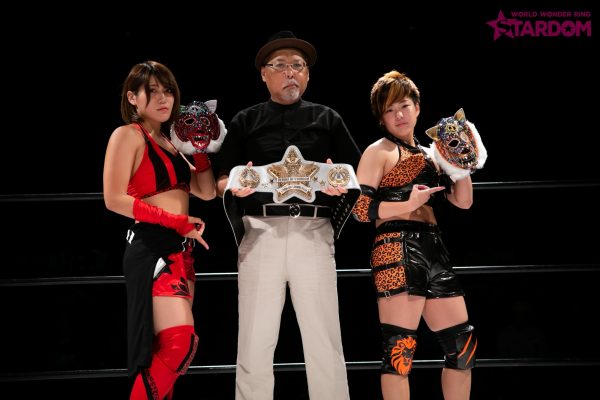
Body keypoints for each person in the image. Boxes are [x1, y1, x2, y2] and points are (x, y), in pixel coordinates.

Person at [216, 31, 361, 400]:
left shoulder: (327, 118)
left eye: (298, 65)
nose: (290, 72)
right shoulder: (246, 120)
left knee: (323, 334)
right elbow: (220, 180)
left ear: (308, 75)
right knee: (254, 336)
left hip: (314, 229)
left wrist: (341, 183)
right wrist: (235, 185)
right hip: (260, 231)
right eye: (280, 66)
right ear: (264, 74)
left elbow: (356, 173)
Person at [352, 70, 478, 399]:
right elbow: (360, 209)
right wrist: (407, 204)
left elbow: (464, 201)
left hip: (434, 247)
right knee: (400, 353)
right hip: (395, 246)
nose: (399, 115)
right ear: (381, 117)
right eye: (390, 110)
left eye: (404, 106)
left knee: (463, 347)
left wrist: (461, 161)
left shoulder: (432, 154)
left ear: (417, 108)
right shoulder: (378, 151)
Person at [103, 60, 216, 399]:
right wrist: (175, 221)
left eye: (167, 91)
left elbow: (206, 191)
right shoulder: (128, 135)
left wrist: (199, 150)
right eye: (152, 91)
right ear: (132, 98)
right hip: (152, 246)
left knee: (168, 351)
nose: (163, 98)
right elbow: (113, 199)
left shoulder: (170, 143)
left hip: (180, 249)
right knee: (180, 344)